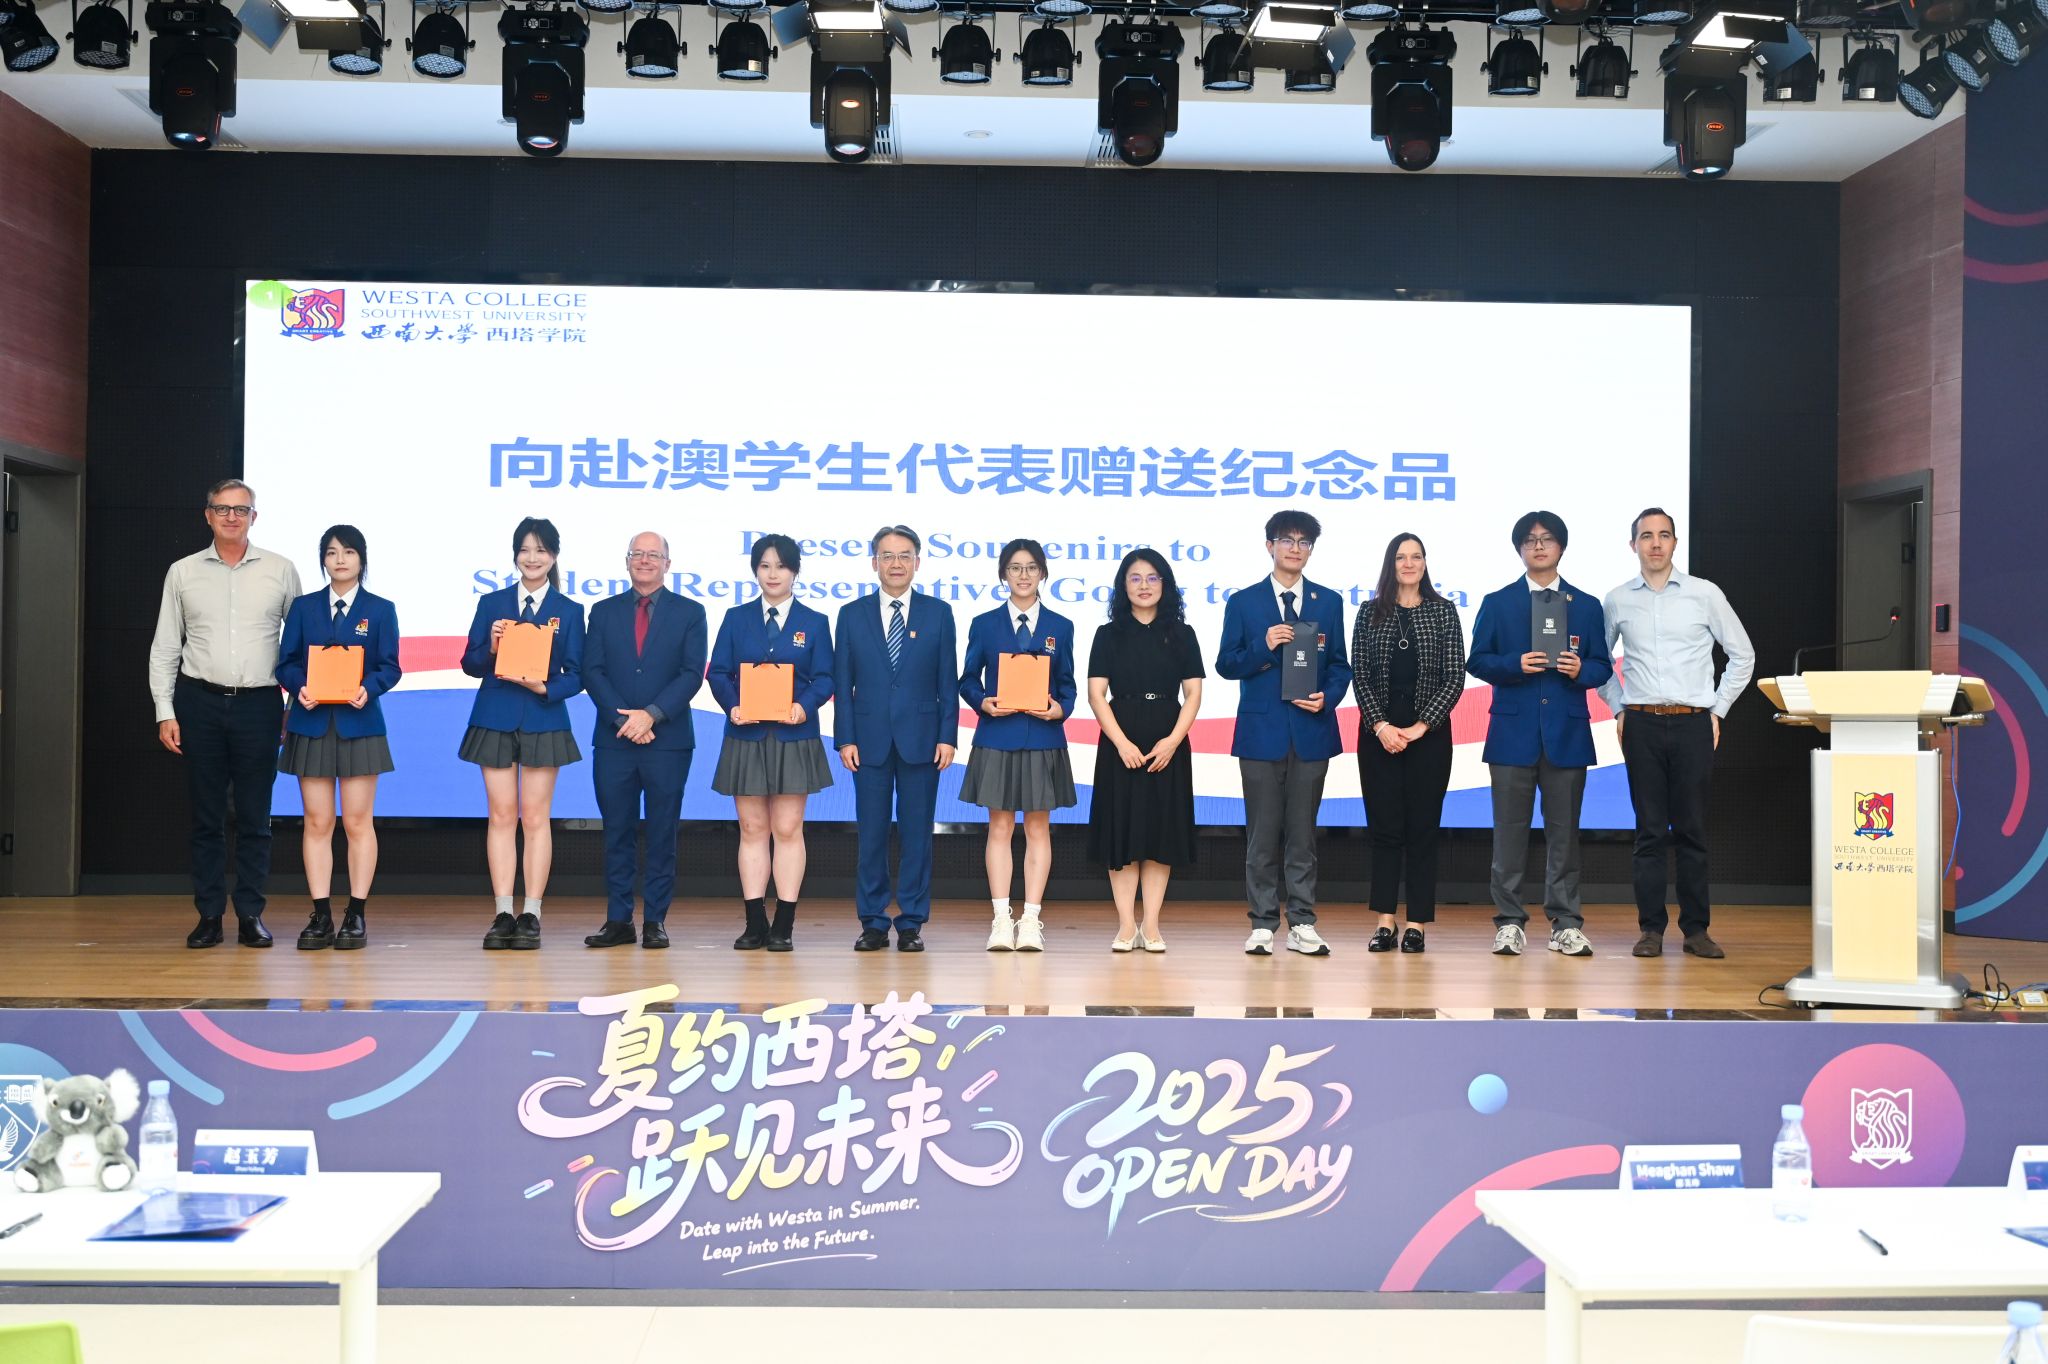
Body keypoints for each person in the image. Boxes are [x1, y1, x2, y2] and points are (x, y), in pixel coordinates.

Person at [149, 479, 303, 949]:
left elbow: (298, 649)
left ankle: (251, 914)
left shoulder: (281, 570)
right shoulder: (182, 572)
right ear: (208, 515)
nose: (232, 517)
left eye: (241, 510)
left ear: (254, 517)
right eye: (222, 509)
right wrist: (165, 710)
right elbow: (165, 646)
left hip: (260, 705)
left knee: (256, 818)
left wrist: (291, 707)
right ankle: (209, 916)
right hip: (200, 702)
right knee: (207, 818)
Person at [1600, 507, 1756, 960]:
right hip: (1642, 723)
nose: (1655, 543)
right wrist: (1618, 708)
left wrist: (1718, 710)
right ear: (1633, 545)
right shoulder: (1617, 599)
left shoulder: (1704, 594)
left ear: (1674, 542)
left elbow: (1742, 655)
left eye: (1664, 535)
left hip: (1693, 724)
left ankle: (1696, 931)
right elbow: (1598, 662)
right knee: (1649, 832)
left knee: (1691, 830)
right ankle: (1650, 930)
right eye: (1646, 536)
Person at [1468, 510, 1613, 958]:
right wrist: (1514, 664)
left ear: (1561, 547)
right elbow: (1477, 660)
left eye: (1547, 538)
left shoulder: (1586, 605)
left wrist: (1580, 669)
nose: (1538, 546)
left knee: (1564, 836)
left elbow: (1602, 667)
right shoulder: (1498, 602)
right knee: (1508, 835)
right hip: (1512, 733)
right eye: (1529, 540)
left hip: (1567, 735)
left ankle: (1565, 924)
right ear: (1519, 549)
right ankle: (1509, 922)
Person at [1214, 510, 1352, 958]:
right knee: (1262, 833)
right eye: (1287, 540)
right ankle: (1262, 923)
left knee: (1302, 834)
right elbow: (1226, 664)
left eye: (1303, 542)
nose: (1295, 548)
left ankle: (1303, 922)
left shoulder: (1328, 602)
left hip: (1311, 730)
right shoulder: (1244, 602)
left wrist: (1328, 698)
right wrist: (1264, 645)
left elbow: (1339, 665)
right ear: (1269, 545)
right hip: (1261, 733)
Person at [458, 517, 586, 951]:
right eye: (525, 550)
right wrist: (492, 648)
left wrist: (545, 687)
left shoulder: (569, 610)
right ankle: (502, 912)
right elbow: (470, 664)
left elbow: (577, 674)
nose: (532, 558)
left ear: (554, 556)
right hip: (495, 716)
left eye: (541, 550)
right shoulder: (492, 603)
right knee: (500, 816)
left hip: (543, 717)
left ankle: (531, 912)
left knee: (535, 818)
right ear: (515, 555)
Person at [273, 525, 401, 951]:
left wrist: (370, 688)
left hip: (359, 724)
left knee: (358, 822)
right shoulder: (304, 607)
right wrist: (299, 687)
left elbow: (390, 667)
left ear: (362, 559)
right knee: (317, 821)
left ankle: (356, 914)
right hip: (311, 723)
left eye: (348, 552)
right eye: (331, 553)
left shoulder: (380, 609)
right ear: (323, 560)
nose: (340, 560)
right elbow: (286, 663)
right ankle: (321, 914)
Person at [707, 533, 836, 952]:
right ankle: (754, 922)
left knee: (787, 828)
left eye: (781, 566)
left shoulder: (814, 622)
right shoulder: (736, 618)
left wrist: (803, 706)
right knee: (752, 828)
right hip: (746, 734)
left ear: (795, 571)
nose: (773, 573)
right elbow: (718, 672)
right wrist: (732, 706)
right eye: (765, 566)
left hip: (793, 735)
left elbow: (825, 678)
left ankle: (784, 923)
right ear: (755, 571)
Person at [833, 525, 958, 953]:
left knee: (917, 836)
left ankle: (911, 923)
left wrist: (947, 736)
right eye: (887, 555)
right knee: (871, 835)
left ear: (917, 562)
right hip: (867, 741)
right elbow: (843, 682)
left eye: (905, 555)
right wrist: (845, 738)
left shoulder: (938, 613)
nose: (896, 563)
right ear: (874, 563)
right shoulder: (851, 614)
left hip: (923, 739)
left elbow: (947, 680)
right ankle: (871, 922)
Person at [580, 532, 706, 952]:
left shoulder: (691, 612)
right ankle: (618, 920)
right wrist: (623, 719)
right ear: (627, 560)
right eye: (638, 554)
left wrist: (650, 715)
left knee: (662, 833)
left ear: (668, 563)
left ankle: (655, 920)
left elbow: (692, 673)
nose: (645, 560)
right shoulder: (603, 611)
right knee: (616, 832)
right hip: (614, 740)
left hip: (667, 740)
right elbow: (592, 671)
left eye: (654, 555)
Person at [959, 538, 1078, 953]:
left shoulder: (1061, 626)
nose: (1023, 575)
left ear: (1042, 573)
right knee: (999, 827)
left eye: (1030, 568)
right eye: (1015, 568)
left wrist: (1060, 708)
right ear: (1003, 575)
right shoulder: (984, 624)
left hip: (1043, 737)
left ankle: (1030, 920)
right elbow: (967, 679)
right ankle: (1000, 920)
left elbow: (1067, 684)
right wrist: (982, 702)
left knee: (1038, 828)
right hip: (998, 735)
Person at [1350, 532, 1465, 955]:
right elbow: (1359, 674)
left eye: (1417, 556)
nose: (1409, 563)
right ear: (1391, 564)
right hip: (1378, 737)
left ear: (1425, 563)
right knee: (1384, 830)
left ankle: (1416, 923)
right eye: (1401, 557)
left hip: (1428, 739)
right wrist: (1381, 725)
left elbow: (1455, 676)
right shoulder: (1369, 612)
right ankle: (1385, 921)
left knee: (1422, 830)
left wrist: (1421, 726)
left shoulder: (1443, 611)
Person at [1087, 549, 1205, 953]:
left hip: (1167, 740)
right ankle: (1126, 925)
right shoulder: (1108, 634)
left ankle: (1151, 925)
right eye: (1135, 578)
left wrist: (1173, 741)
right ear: (1123, 585)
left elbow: (1193, 694)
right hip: (1120, 738)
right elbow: (1096, 694)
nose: (1144, 586)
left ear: (1165, 585)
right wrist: (1120, 743)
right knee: (1121, 833)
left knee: (1160, 833)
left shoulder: (1183, 634)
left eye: (1153, 578)